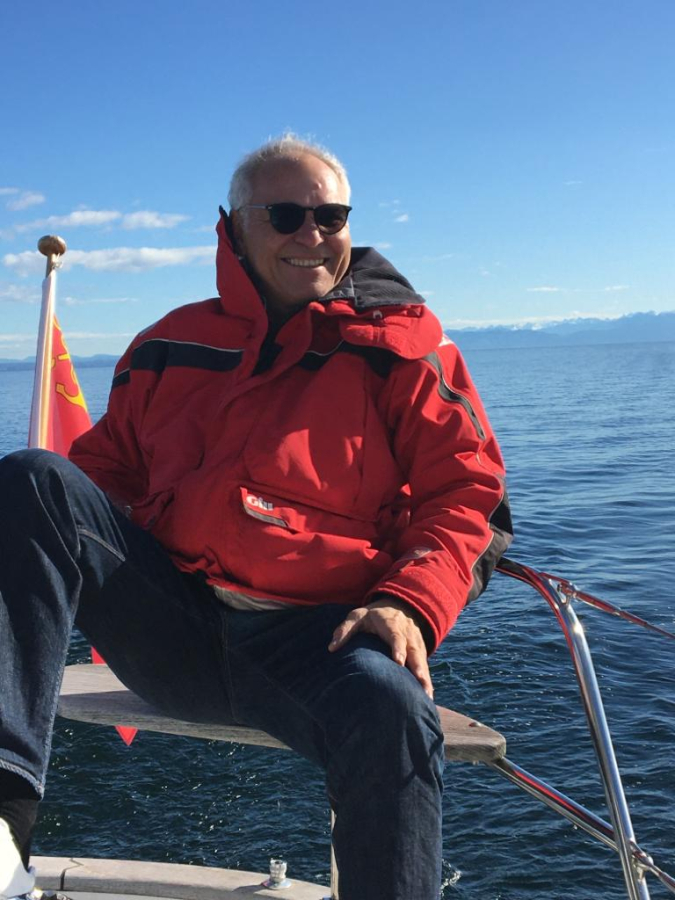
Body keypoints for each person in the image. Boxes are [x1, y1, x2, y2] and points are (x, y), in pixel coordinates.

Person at [0, 134, 513, 900]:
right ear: (234, 226)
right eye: (284, 215)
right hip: (171, 630)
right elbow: (100, 475)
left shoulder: (404, 348)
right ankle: (3, 824)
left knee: (394, 711)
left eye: (330, 216)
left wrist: (408, 602)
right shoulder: (168, 344)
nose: (312, 234)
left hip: (318, 643)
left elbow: (470, 496)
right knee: (32, 477)